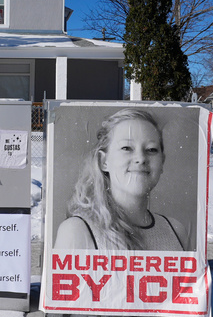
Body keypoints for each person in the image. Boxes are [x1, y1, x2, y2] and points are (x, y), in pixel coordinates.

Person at [54, 108, 188, 252]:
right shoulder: (77, 231)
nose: (141, 159)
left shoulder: (176, 231)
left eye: (151, 149)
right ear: (103, 161)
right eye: (126, 148)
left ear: (162, 162)